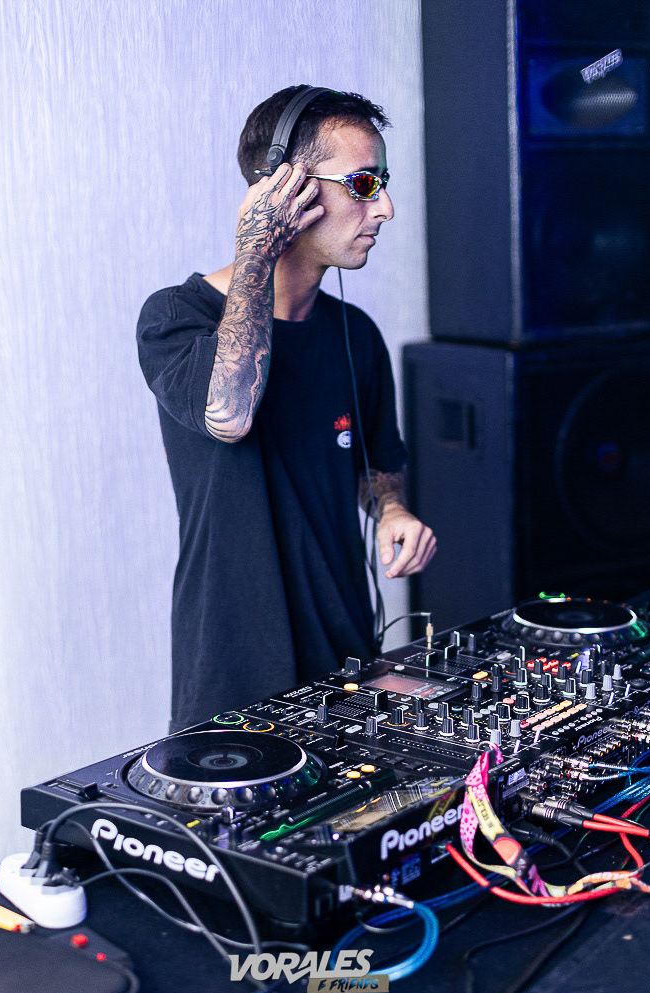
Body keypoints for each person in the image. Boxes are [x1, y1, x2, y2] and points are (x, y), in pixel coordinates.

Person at [136, 86, 437, 733]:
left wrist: (391, 508)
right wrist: (257, 248)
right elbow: (230, 413)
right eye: (363, 184)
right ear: (284, 187)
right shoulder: (175, 317)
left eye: (382, 184)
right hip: (230, 677)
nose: (385, 208)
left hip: (347, 662)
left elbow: (377, 464)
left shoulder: (357, 336)